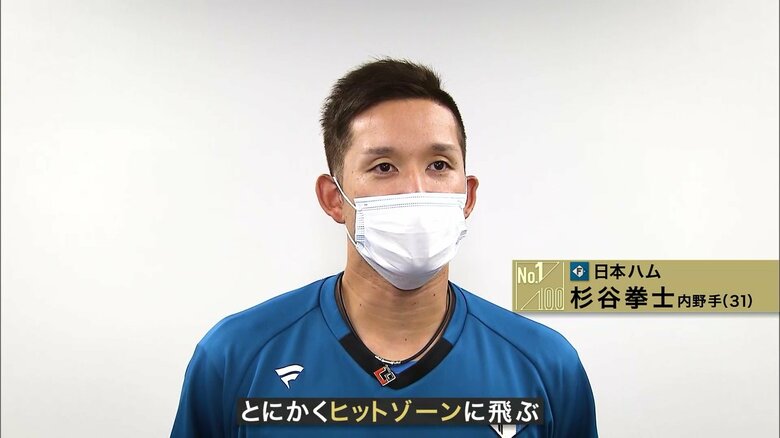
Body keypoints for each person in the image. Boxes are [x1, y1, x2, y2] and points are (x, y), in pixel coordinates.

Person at [171, 58, 598, 437]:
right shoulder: (235, 357)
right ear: (334, 199)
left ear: (467, 196)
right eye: (384, 167)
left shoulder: (546, 366)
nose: (416, 189)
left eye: (438, 165)